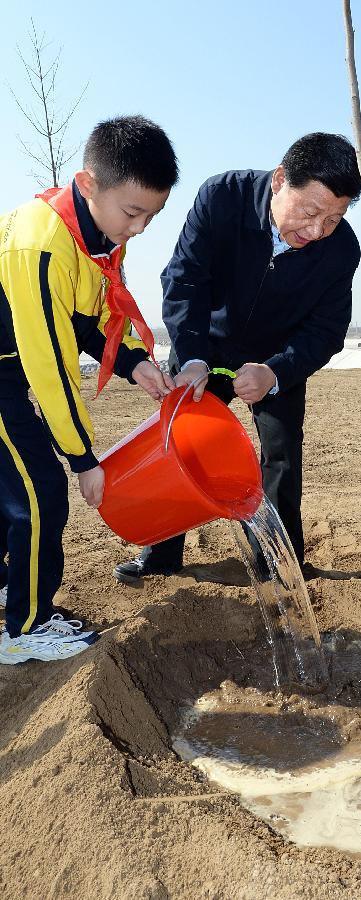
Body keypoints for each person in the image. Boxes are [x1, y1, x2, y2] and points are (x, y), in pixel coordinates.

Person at [113, 132, 361, 584]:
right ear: (281, 180)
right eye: (310, 213)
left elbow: (326, 331)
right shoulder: (222, 198)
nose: (317, 231)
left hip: (275, 359)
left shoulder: (341, 249)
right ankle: (161, 555)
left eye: (334, 218)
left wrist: (275, 371)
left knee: (281, 456)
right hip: (204, 346)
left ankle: (279, 566)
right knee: (182, 443)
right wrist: (190, 357)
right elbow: (185, 279)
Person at [0, 115, 179, 664]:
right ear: (87, 184)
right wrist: (82, 457)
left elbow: (92, 316)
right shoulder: (41, 243)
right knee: (39, 491)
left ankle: (12, 593)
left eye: (152, 215)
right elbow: (50, 362)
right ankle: (26, 627)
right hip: (8, 366)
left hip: (10, 365)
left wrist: (133, 363)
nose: (140, 228)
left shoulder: (95, 235)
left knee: (13, 486)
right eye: (133, 213)